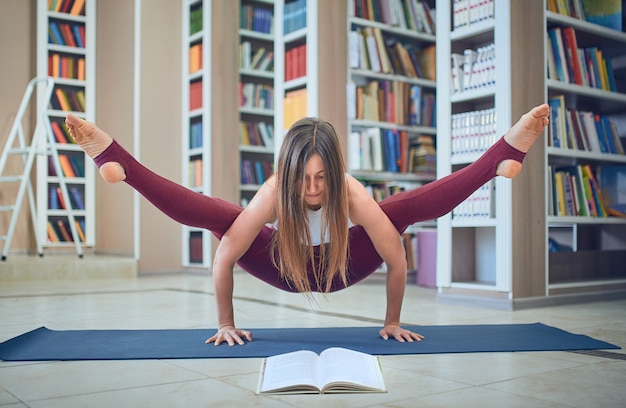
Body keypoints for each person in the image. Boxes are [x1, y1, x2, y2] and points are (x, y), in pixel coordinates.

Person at [65, 103, 550, 346]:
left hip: (343, 266)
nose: (313, 189)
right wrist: (227, 324)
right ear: (288, 172)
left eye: (322, 178)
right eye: (304, 179)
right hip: (283, 265)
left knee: (400, 210)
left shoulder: (351, 191)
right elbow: (226, 254)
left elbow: (396, 258)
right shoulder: (276, 189)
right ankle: (117, 162)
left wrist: (393, 321)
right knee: (221, 215)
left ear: (334, 174)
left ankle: (502, 155)